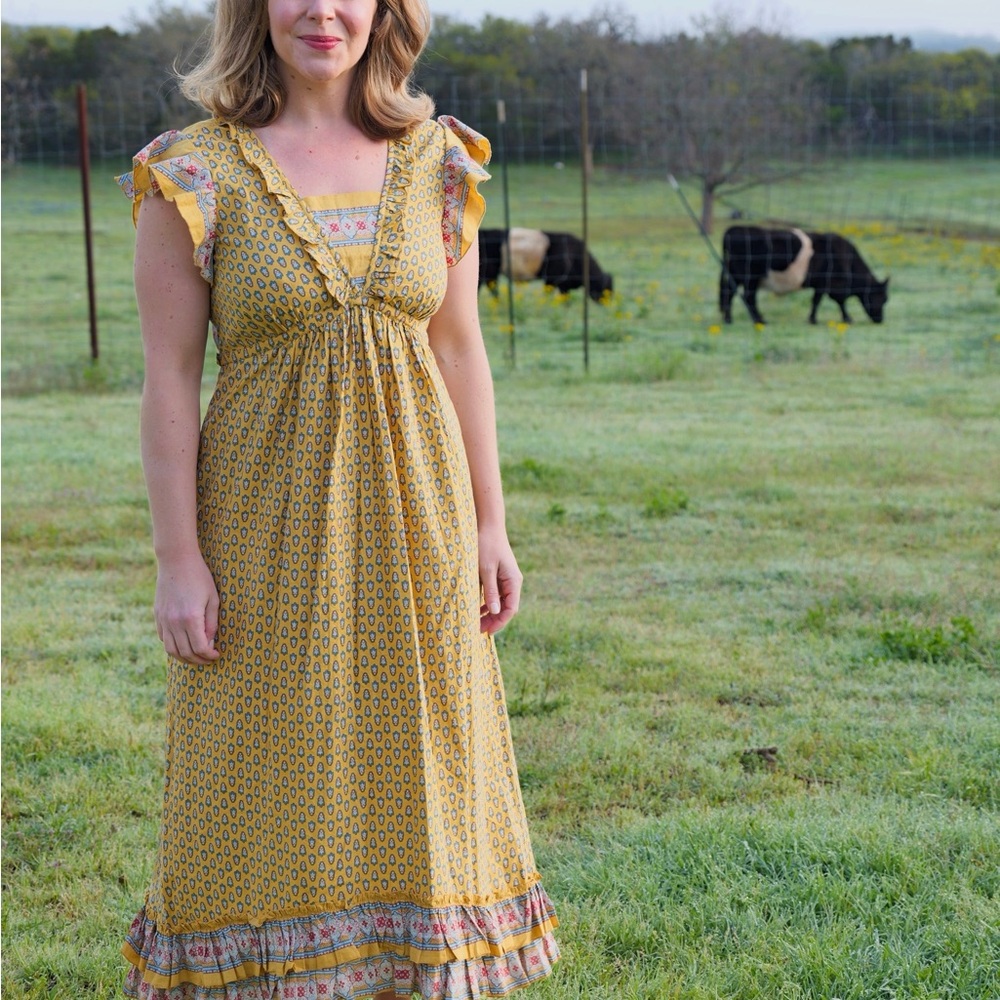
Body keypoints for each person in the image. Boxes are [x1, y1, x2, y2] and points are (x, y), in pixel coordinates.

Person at [116, 0, 560, 995]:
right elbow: (167, 383)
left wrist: (492, 522)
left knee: (424, 764)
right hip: (260, 529)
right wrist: (177, 560)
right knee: (262, 769)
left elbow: (459, 351)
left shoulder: (437, 159)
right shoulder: (192, 172)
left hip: (421, 524)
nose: (323, 10)